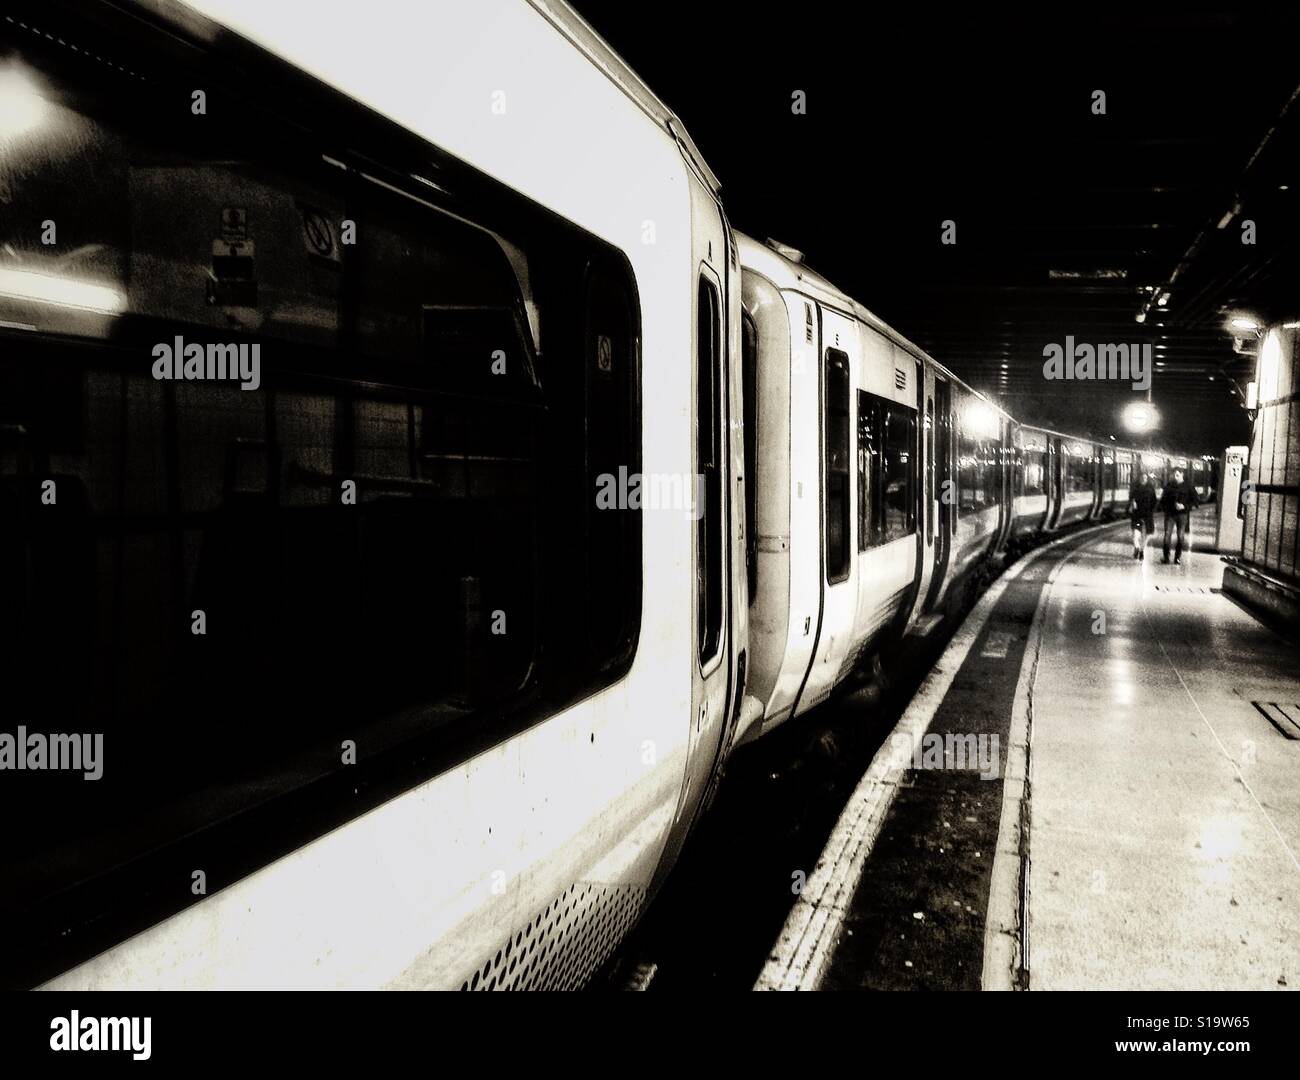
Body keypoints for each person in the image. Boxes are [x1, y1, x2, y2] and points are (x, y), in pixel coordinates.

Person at [1159, 466, 1200, 564]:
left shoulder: (1189, 486)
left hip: (1182, 515)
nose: (1175, 477)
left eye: (1177, 475)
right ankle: (1166, 557)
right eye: (1174, 475)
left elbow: (1196, 501)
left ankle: (1177, 558)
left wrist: (1184, 506)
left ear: (1182, 474)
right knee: (1167, 535)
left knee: (1180, 536)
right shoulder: (1169, 486)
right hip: (1170, 514)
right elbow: (1163, 500)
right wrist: (1166, 508)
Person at [1128, 470, 1158, 560]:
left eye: (1145, 478)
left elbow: (1154, 501)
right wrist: (1132, 504)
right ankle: (1137, 547)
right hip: (1137, 514)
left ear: (1147, 479)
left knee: (1146, 535)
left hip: (1147, 515)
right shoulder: (1135, 488)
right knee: (1135, 534)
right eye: (1142, 477)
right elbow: (1131, 499)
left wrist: (1152, 510)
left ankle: (1142, 550)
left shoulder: (1150, 488)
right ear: (1139, 478)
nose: (1143, 479)